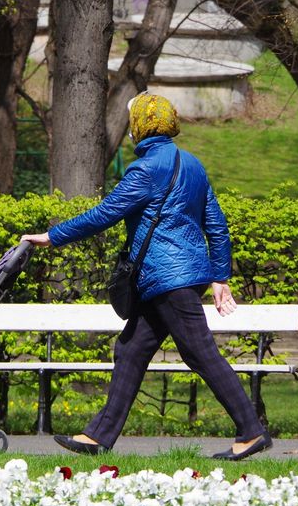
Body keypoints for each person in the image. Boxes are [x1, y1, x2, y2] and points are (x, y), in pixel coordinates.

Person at [21, 93, 271, 461]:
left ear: (139, 127)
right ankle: (98, 436)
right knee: (131, 349)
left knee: (201, 353)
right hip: (178, 278)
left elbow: (106, 213)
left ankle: (251, 431)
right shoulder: (193, 164)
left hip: (165, 277)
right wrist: (219, 276)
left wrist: (52, 236)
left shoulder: (145, 170)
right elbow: (216, 224)